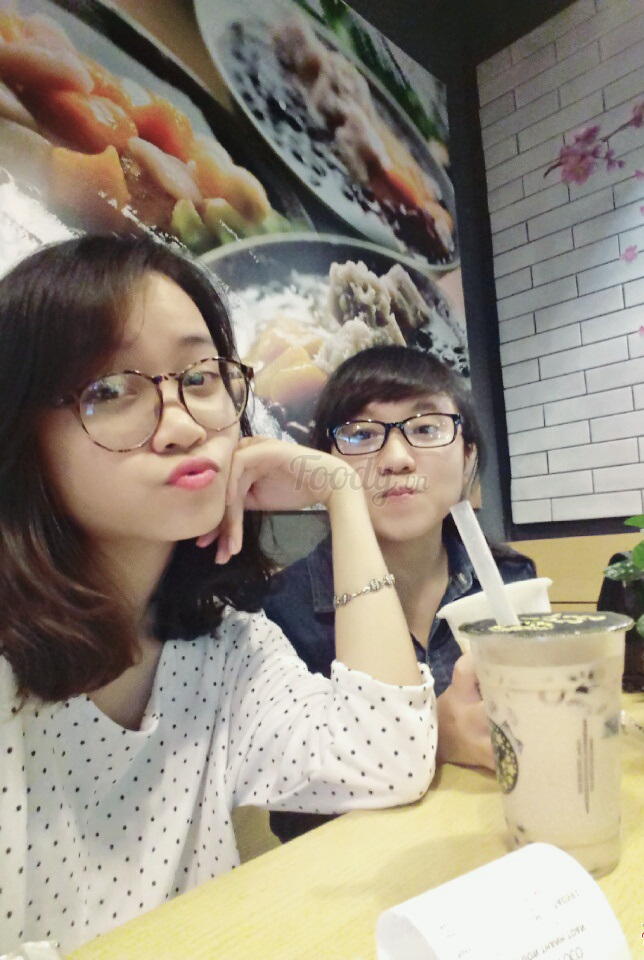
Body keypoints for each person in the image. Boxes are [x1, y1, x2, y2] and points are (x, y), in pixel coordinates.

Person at [0, 237, 437, 954]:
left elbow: (387, 760)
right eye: (109, 390)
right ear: (20, 436)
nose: (181, 426)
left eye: (200, 377)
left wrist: (340, 494)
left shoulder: (225, 647)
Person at [264, 346, 535, 839]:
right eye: (361, 434)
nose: (396, 459)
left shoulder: (511, 581)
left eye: (426, 428)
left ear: (468, 454)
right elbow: (290, 810)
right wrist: (434, 737)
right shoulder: (281, 611)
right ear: (325, 465)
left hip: (499, 840)